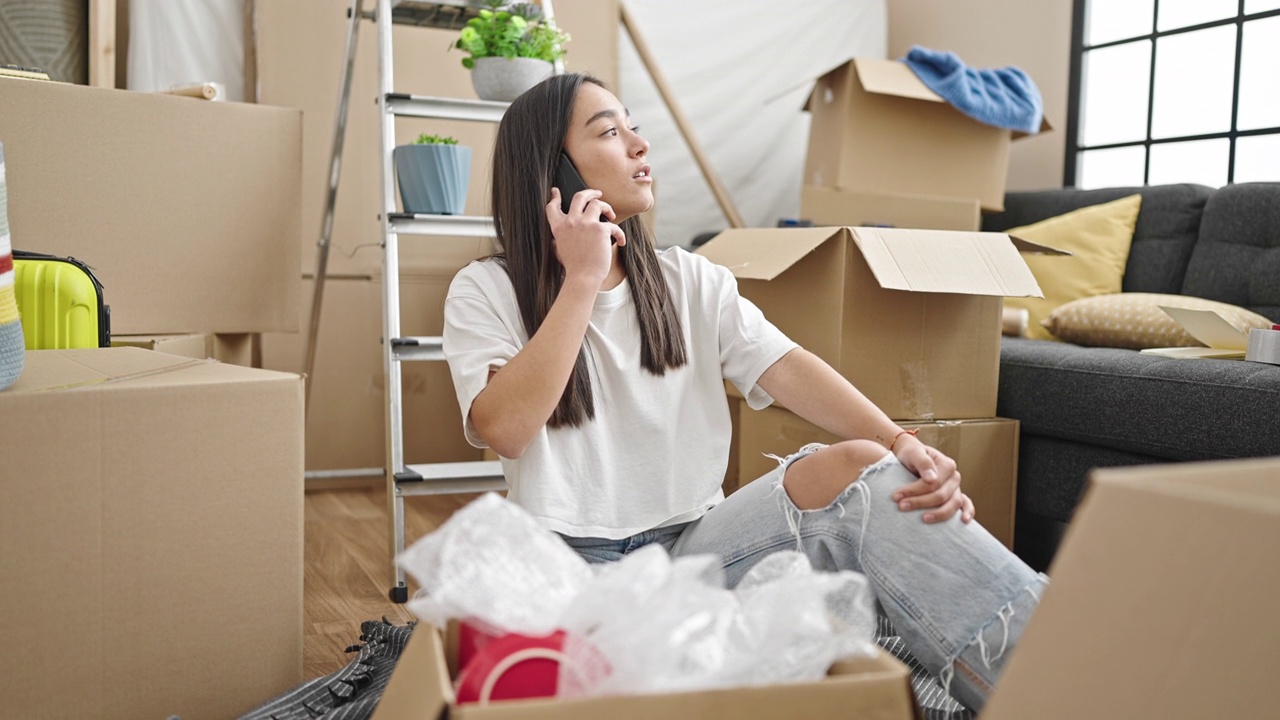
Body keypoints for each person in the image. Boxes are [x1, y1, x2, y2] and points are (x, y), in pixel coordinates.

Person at [442, 72, 1047, 712]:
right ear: (555, 171)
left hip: (699, 554)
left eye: (634, 126)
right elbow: (503, 428)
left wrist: (899, 441)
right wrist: (582, 280)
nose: (640, 147)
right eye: (610, 133)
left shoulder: (690, 279)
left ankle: (1050, 671)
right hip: (577, 579)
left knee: (864, 466)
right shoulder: (484, 290)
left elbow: (787, 366)